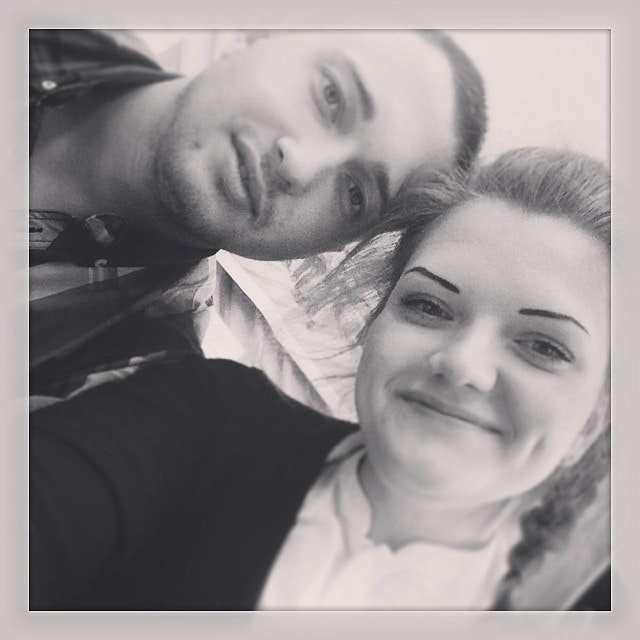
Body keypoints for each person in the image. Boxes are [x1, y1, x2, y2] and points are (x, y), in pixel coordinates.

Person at [29, 146, 610, 610]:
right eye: (429, 306)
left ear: (593, 422)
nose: (462, 364)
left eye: (544, 346)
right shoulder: (205, 417)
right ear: (373, 326)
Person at [29, 29, 486, 406]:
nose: (300, 166)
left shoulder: (127, 374)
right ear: (258, 33)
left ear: (331, 246)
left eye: (354, 194)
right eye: (331, 97)